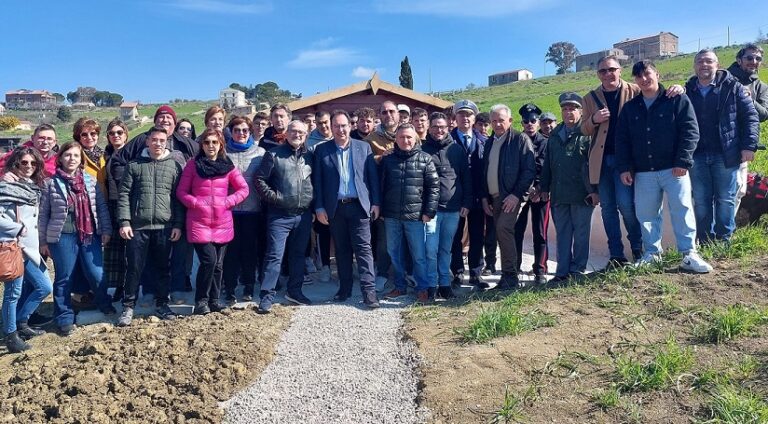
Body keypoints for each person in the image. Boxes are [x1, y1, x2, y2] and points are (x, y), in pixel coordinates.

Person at [615, 60, 712, 273]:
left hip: (674, 169)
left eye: (647, 74)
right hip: (644, 172)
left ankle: (689, 254)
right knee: (647, 214)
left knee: (682, 209)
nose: (644, 79)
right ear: (635, 80)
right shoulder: (631, 108)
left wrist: (682, 161)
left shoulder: (676, 99)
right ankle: (652, 254)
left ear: (657, 74)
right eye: (638, 76)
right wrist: (625, 168)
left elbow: (690, 131)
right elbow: (622, 140)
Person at [685, 49, 759, 244]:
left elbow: (750, 116)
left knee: (725, 199)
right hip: (697, 155)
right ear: (694, 66)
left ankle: (723, 239)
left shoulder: (732, 87)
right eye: (700, 61)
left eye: (709, 61)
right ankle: (704, 240)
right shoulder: (688, 91)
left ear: (717, 65)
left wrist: (748, 145)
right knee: (701, 200)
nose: (704, 65)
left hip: (726, 153)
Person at [39, 142, 113, 336]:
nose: (72, 159)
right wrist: (43, 242)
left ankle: (104, 303)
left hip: (90, 235)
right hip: (63, 236)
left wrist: (105, 230)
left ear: (81, 160)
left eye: (76, 156)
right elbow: (43, 215)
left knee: (96, 273)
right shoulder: (50, 184)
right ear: (61, 158)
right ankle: (63, 316)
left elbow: (101, 208)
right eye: (68, 155)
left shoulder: (90, 181)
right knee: (64, 276)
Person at [116, 127, 185, 326]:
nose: (157, 143)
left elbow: (177, 199)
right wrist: (125, 222)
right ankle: (128, 307)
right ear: (147, 141)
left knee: (163, 268)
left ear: (167, 142)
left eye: (162, 140)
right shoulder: (134, 165)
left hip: (165, 227)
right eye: (154, 140)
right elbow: (124, 196)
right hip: (138, 227)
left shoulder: (173, 166)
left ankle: (162, 303)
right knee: (134, 268)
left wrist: (178, 224)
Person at [313, 110, 381, 308]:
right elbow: (317, 181)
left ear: (350, 126)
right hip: (335, 209)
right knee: (342, 250)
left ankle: (369, 292)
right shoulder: (322, 150)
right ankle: (345, 288)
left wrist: (375, 202)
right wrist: (319, 207)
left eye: (344, 125)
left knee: (364, 250)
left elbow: (372, 178)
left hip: (359, 207)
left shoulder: (363, 147)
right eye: (336, 126)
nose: (341, 129)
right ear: (331, 128)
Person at [177, 129, 248, 315]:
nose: (210, 146)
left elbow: (243, 189)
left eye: (214, 142)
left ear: (221, 145)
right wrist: (196, 203)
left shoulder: (228, 166)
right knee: (209, 261)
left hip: (222, 222)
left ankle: (214, 300)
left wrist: (227, 202)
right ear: (202, 145)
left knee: (218, 265)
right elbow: (181, 192)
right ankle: (201, 301)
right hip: (199, 221)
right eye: (207, 142)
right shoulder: (193, 165)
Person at [254, 120, 315, 313]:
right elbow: (259, 179)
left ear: (306, 135)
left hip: (303, 215)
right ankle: (266, 296)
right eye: (294, 131)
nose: (297, 135)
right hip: (279, 215)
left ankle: (294, 291)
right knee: (274, 256)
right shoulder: (273, 154)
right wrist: (276, 198)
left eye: (301, 132)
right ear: (286, 133)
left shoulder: (310, 156)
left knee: (298, 255)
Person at [540, 94, 597, 284]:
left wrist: (595, 190)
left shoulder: (588, 132)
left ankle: (577, 271)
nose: (568, 112)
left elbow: (595, 164)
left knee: (581, 235)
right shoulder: (555, 135)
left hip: (583, 194)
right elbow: (548, 164)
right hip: (559, 194)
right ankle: (562, 271)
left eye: (572, 108)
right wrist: (544, 188)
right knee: (563, 235)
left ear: (580, 111)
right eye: (565, 109)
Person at [0, 147, 52, 352]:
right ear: (15, 163)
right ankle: (11, 335)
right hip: (13, 246)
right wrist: (19, 228)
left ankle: (21, 321)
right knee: (13, 293)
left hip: (30, 249)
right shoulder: (6, 186)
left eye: (33, 163)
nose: (29, 166)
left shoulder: (31, 186)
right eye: (24, 163)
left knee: (44, 286)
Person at [380, 123, 439, 302]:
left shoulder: (425, 159)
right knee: (394, 252)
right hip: (391, 216)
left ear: (415, 139)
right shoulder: (388, 160)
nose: (405, 140)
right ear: (395, 139)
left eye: (409, 137)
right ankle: (400, 286)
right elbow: (381, 186)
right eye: (401, 137)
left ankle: (422, 288)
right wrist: (382, 209)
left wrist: (429, 212)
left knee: (419, 256)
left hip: (416, 217)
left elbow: (434, 188)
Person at [481, 104, 536, 290]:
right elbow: (485, 171)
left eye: (501, 120)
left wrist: (516, 195)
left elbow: (529, 171)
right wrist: (484, 198)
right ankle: (507, 277)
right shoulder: (490, 142)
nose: (497, 124)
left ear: (510, 121)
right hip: (494, 197)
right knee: (500, 232)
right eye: (494, 121)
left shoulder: (520, 140)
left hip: (511, 197)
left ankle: (511, 276)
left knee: (504, 229)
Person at [421, 112, 470, 300]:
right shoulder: (423, 150)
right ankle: (432, 284)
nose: (438, 130)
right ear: (429, 128)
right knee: (431, 249)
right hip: (431, 210)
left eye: (442, 126)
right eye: (435, 126)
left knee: (445, 249)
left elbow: (465, 177)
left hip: (453, 209)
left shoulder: (456, 150)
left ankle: (445, 284)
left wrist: (466, 202)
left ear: (448, 127)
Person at [223, 116, 267, 303]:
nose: (241, 133)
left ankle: (249, 286)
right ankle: (230, 289)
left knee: (250, 250)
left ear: (250, 132)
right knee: (230, 253)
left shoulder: (260, 153)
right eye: (236, 130)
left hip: (252, 210)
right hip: (228, 211)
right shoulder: (223, 153)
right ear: (231, 132)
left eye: (244, 130)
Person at [451, 100, 492, 289]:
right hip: (455, 196)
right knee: (455, 236)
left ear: (474, 118)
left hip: (477, 196)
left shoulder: (484, 141)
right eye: (461, 114)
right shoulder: (448, 140)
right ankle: (457, 272)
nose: (465, 118)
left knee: (477, 235)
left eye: (468, 115)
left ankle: (476, 273)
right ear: (456, 118)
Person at [728, 44, 768, 214]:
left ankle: (723, 233)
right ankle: (706, 231)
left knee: (738, 190)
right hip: (716, 143)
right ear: (739, 60)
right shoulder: (724, 78)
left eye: (758, 58)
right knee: (708, 192)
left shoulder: (761, 87)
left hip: (741, 147)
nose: (754, 61)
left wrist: (750, 100)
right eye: (749, 58)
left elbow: (764, 114)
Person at [514, 104, 550, 285]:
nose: (529, 124)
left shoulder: (545, 142)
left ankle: (540, 270)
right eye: (526, 121)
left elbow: (546, 167)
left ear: (538, 122)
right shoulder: (517, 142)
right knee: (516, 232)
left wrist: (540, 187)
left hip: (540, 194)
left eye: (533, 121)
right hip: (521, 194)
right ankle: (515, 267)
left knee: (540, 232)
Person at [366, 101, 399, 290]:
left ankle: (406, 272)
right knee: (384, 238)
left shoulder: (409, 134)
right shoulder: (371, 139)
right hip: (383, 195)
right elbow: (363, 163)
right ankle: (382, 272)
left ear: (398, 114)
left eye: (391, 111)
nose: (388, 115)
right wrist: (381, 157)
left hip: (406, 194)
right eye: (384, 112)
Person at [102, 119, 129, 302]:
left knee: (129, 250)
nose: (116, 136)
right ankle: (118, 286)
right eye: (112, 133)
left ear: (126, 134)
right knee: (115, 250)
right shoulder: (105, 155)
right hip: (111, 204)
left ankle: (129, 287)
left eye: (119, 132)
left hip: (127, 205)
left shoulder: (132, 154)